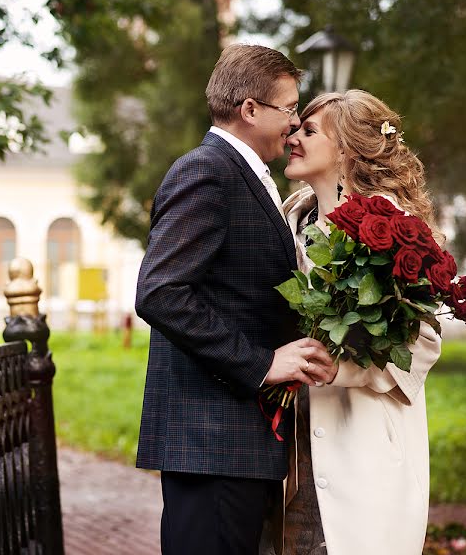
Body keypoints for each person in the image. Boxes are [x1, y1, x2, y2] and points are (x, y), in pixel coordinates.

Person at [135, 44, 337, 555]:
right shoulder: (207, 171)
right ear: (250, 109)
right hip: (211, 444)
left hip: (235, 444)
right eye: (289, 109)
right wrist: (262, 363)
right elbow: (160, 291)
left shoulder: (246, 174)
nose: (294, 123)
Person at [280, 90, 443, 555]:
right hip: (291, 442)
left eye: (309, 131)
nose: (294, 135)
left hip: (365, 437)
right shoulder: (287, 216)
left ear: (347, 148)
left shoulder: (395, 225)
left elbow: (424, 342)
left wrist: (341, 369)